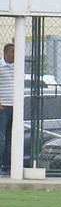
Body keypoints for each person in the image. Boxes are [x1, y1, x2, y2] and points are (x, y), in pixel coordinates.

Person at [0, 43, 15, 175]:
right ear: (5, 53)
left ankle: (8, 165)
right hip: (3, 107)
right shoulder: (1, 66)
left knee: (12, 137)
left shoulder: (18, 67)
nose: (14, 55)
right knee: (2, 137)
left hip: (15, 106)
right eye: (12, 52)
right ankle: (1, 165)